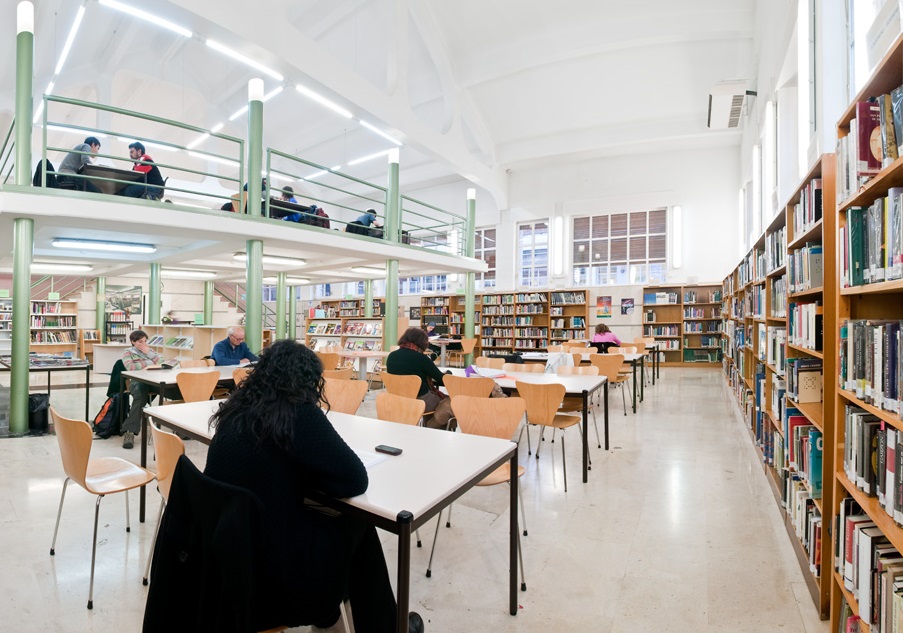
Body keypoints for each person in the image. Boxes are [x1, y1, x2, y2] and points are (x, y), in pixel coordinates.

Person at [204, 340, 424, 632]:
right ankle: (384, 626)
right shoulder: (297, 412)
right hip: (269, 581)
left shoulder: (235, 409)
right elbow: (355, 479)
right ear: (307, 379)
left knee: (332, 525)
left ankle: (333, 617)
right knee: (358, 524)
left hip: (222, 563)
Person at [385, 327, 453, 430]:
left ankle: (429, 427)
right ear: (422, 342)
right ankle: (430, 427)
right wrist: (448, 374)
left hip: (397, 399)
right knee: (452, 402)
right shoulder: (421, 358)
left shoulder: (392, 356)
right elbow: (441, 379)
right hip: (420, 400)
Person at [120, 329, 162, 449]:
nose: (143, 344)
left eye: (144, 341)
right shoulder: (127, 352)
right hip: (136, 382)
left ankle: (179, 428)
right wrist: (150, 363)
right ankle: (129, 432)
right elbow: (131, 367)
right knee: (140, 395)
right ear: (133, 342)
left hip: (153, 380)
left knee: (176, 391)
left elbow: (162, 363)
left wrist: (149, 355)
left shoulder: (150, 351)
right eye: (140, 342)